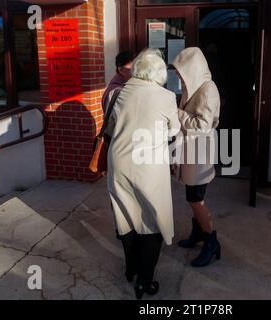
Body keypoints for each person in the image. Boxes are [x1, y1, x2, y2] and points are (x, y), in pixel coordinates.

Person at [105, 49, 181, 299]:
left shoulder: (117, 93)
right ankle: (144, 282)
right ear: (159, 73)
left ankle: (131, 270)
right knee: (152, 220)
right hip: (148, 166)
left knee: (126, 216)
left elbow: (111, 128)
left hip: (119, 162)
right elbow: (174, 130)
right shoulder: (166, 96)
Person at [171, 47, 221, 267]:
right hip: (192, 150)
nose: (179, 76)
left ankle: (211, 239)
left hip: (200, 151)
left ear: (193, 69)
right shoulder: (193, 87)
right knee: (193, 196)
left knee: (195, 198)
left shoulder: (207, 89)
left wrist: (175, 111)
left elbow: (201, 125)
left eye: (181, 71)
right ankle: (198, 233)